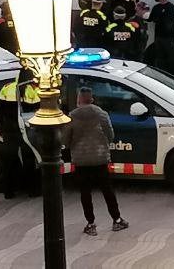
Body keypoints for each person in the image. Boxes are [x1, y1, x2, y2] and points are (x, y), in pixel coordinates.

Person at [67, 86, 128, 236]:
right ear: (92, 99)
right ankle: (117, 220)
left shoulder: (72, 116)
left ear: (79, 100)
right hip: (100, 159)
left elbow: (66, 140)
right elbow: (111, 135)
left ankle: (91, 223)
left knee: (85, 192)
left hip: (81, 160)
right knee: (107, 190)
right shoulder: (102, 114)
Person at [0, 69, 39, 199]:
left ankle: (9, 191)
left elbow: (0, 111)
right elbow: (37, 112)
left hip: (9, 130)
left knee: (9, 160)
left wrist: (0, 127)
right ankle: (31, 190)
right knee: (29, 160)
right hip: (25, 130)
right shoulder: (32, 90)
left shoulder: (6, 88)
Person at [144, 0, 174, 72]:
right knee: (159, 58)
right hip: (158, 37)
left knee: (171, 58)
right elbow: (151, 19)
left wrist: (159, 19)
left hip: (168, 38)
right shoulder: (156, 7)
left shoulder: (170, 7)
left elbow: (170, 21)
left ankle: (172, 75)